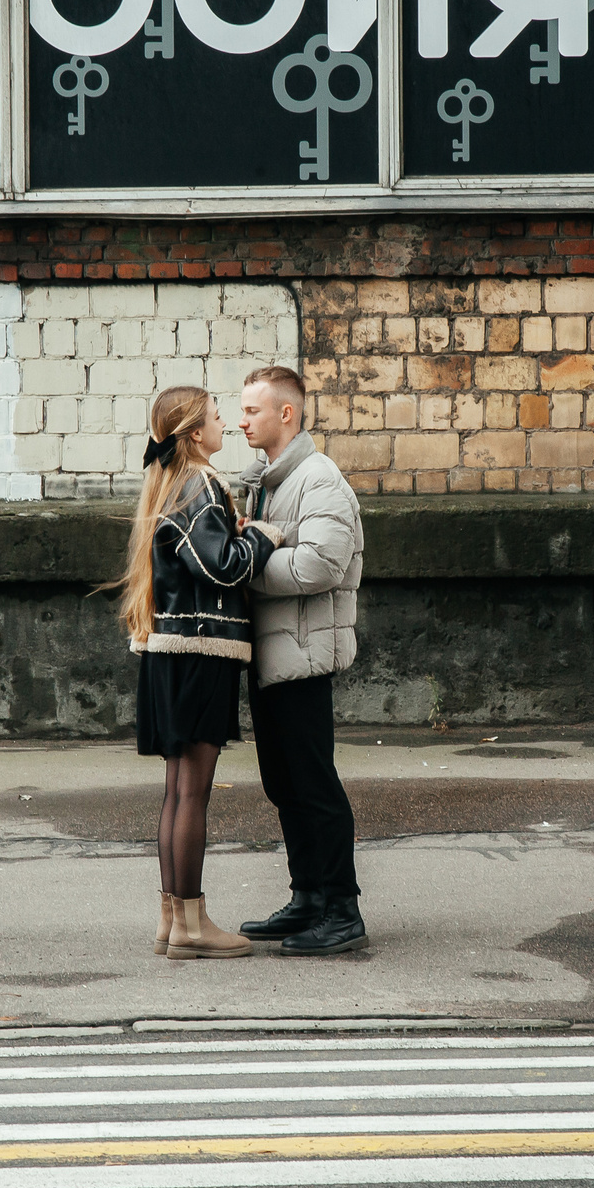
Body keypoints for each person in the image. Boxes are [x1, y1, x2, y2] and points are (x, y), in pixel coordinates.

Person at [109, 384, 285, 960]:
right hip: (200, 653)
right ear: (192, 435)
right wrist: (259, 535)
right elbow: (226, 568)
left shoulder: (169, 484)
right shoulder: (201, 483)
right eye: (215, 417)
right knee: (194, 794)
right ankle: (192, 925)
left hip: (169, 654)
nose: (227, 425)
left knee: (176, 791)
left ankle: (172, 918)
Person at [233, 364, 369, 955]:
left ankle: (342, 911)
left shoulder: (319, 479)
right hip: (271, 654)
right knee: (282, 782)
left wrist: (245, 564)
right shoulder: (265, 479)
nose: (241, 421)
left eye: (252, 411)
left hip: (305, 656)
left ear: (285, 413)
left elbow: (319, 566)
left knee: (314, 786)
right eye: (239, 411)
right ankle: (307, 898)